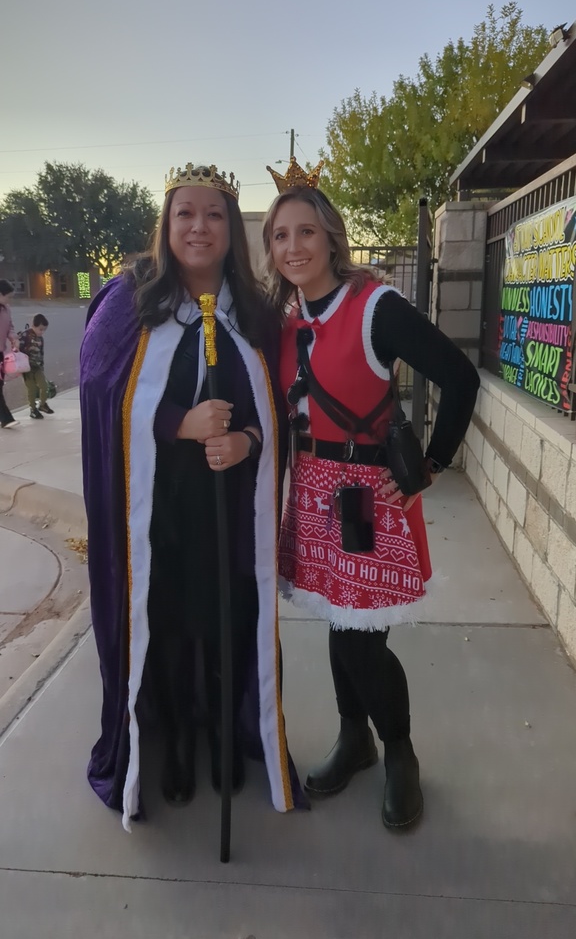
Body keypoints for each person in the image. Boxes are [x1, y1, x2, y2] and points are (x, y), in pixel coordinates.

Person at [80, 163, 304, 831]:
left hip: (232, 507)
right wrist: (178, 422)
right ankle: (176, 739)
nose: (199, 227)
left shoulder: (256, 312)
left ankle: (225, 733)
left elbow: (281, 405)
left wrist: (248, 441)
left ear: (232, 229)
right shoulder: (130, 300)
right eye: (186, 214)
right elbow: (98, 389)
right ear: (167, 224)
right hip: (158, 511)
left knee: (228, 617)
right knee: (171, 622)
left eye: (213, 215)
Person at [263, 158, 480, 831]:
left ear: (331, 237)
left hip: (367, 500)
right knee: (339, 626)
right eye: (280, 236)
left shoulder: (375, 307)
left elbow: (460, 376)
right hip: (312, 495)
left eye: (306, 232)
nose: (293, 247)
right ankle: (354, 737)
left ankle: (400, 751)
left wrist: (431, 464)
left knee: (362, 641)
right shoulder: (286, 319)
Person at [20, 314, 54, 419]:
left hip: (37, 367)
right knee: (32, 389)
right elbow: (19, 349)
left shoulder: (40, 339)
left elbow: (41, 352)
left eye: (44, 330)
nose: (42, 332)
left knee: (44, 386)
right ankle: (33, 409)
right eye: (40, 329)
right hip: (27, 368)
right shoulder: (25, 335)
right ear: (33, 326)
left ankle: (42, 404)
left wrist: (42, 365)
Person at [0, 279, 20, 429]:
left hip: (0, 352)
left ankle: (5, 419)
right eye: (8, 297)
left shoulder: (6, 309)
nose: (9, 300)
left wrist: (14, 339)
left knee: (0, 385)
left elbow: (10, 327)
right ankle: (6, 418)